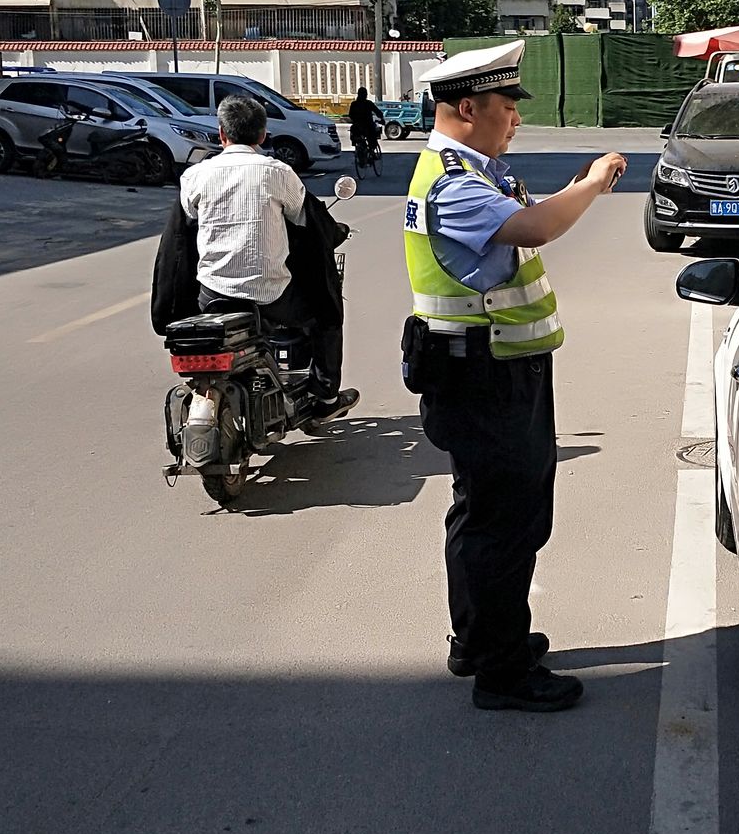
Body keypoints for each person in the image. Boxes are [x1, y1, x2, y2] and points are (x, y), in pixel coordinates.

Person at [403, 40, 626, 712]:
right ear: (467, 108)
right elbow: (539, 225)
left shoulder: (467, 170)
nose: (515, 119)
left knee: (482, 513)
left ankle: (481, 640)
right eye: (506, 106)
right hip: (487, 373)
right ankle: (501, 671)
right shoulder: (455, 183)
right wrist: (590, 183)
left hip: (485, 366)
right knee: (508, 521)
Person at [181, 93, 357, 422]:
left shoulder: (195, 176)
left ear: (222, 133)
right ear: (263, 135)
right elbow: (306, 218)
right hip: (270, 297)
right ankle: (325, 394)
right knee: (326, 315)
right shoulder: (277, 172)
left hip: (211, 296)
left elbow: (188, 218)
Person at [347, 86, 380, 153]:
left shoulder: (354, 104)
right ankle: (371, 151)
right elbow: (378, 112)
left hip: (357, 126)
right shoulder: (368, 103)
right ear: (366, 95)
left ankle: (357, 147)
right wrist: (381, 118)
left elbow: (350, 114)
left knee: (354, 132)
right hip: (368, 126)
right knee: (373, 139)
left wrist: (355, 120)